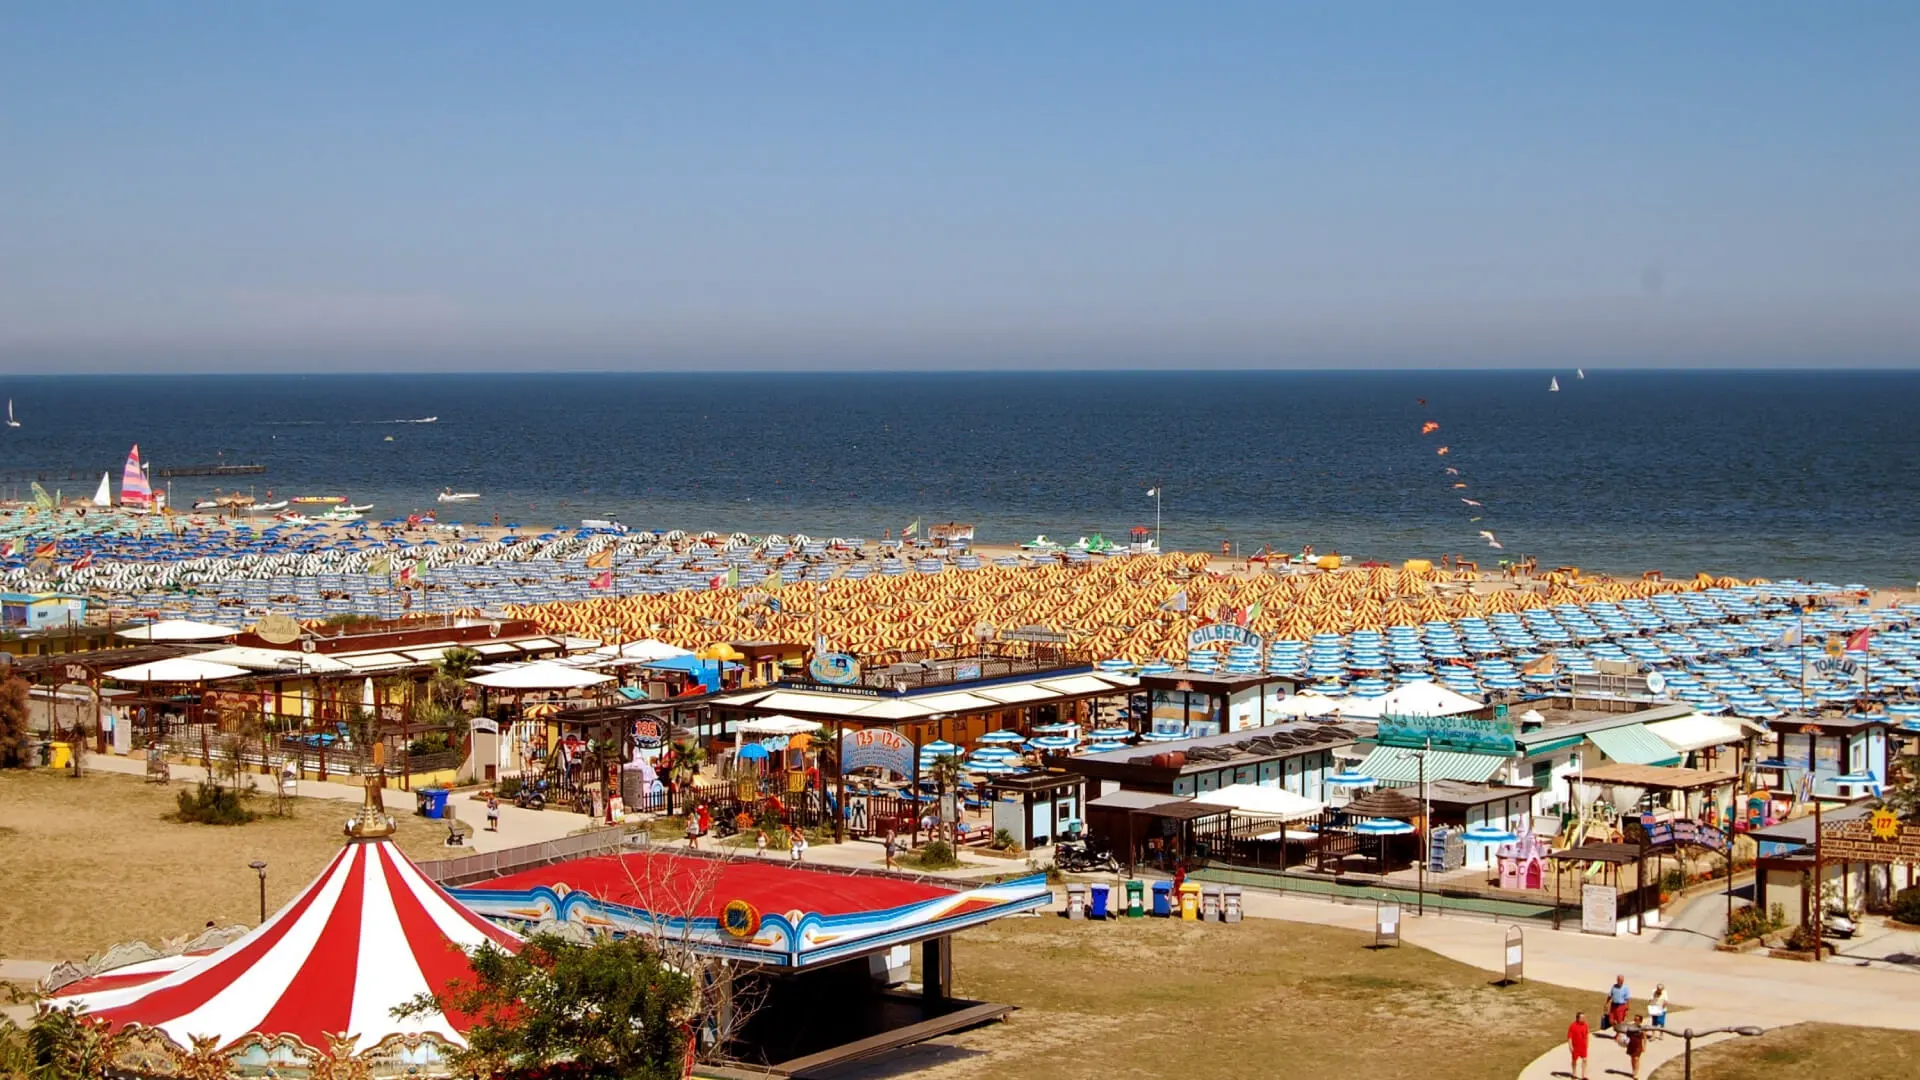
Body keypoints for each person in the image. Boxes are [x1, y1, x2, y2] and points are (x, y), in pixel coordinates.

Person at [1618, 1014, 1647, 1080]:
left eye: (1637, 1020)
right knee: (1633, 1059)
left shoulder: (1642, 1029)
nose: (1635, 1021)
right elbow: (1625, 1034)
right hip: (1631, 1045)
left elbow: (1644, 1038)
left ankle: (1636, 1074)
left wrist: (1644, 1046)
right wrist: (1620, 1038)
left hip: (1638, 1046)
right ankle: (1633, 1071)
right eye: (1635, 1019)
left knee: (1636, 1059)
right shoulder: (1630, 1027)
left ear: (1640, 1021)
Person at [1566, 1011, 1590, 1080]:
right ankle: (1574, 1073)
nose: (1583, 1019)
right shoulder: (1572, 1026)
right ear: (1577, 1018)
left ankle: (1583, 1075)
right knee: (1574, 1061)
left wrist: (1587, 1043)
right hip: (1575, 1047)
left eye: (1584, 1017)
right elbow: (1569, 1037)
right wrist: (1570, 1046)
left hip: (1583, 1047)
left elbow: (1587, 1034)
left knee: (1585, 1060)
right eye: (1582, 1017)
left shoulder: (1585, 1025)